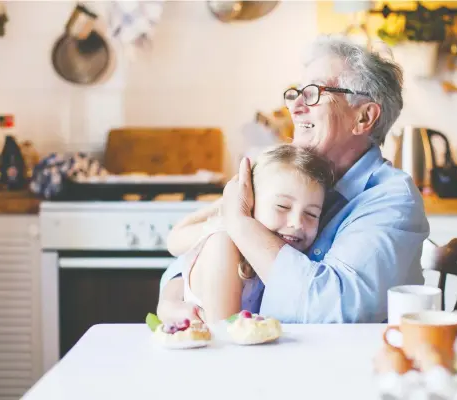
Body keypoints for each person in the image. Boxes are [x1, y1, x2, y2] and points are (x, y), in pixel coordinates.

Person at [157, 34, 430, 324]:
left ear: (363, 117)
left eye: (314, 93)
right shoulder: (286, 177)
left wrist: (241, 224)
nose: (295, 106)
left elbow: (332, 311)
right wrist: (172, 300)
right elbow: (197, 255)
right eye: (296, 92)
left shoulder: (391, 199)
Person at [165, 144, 334, 323]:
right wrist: (226, 205)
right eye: (282, 206)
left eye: (311, 214)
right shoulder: (224, 243)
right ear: (250, 202)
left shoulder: (289, 255)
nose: (297, 223)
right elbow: (226, 332)